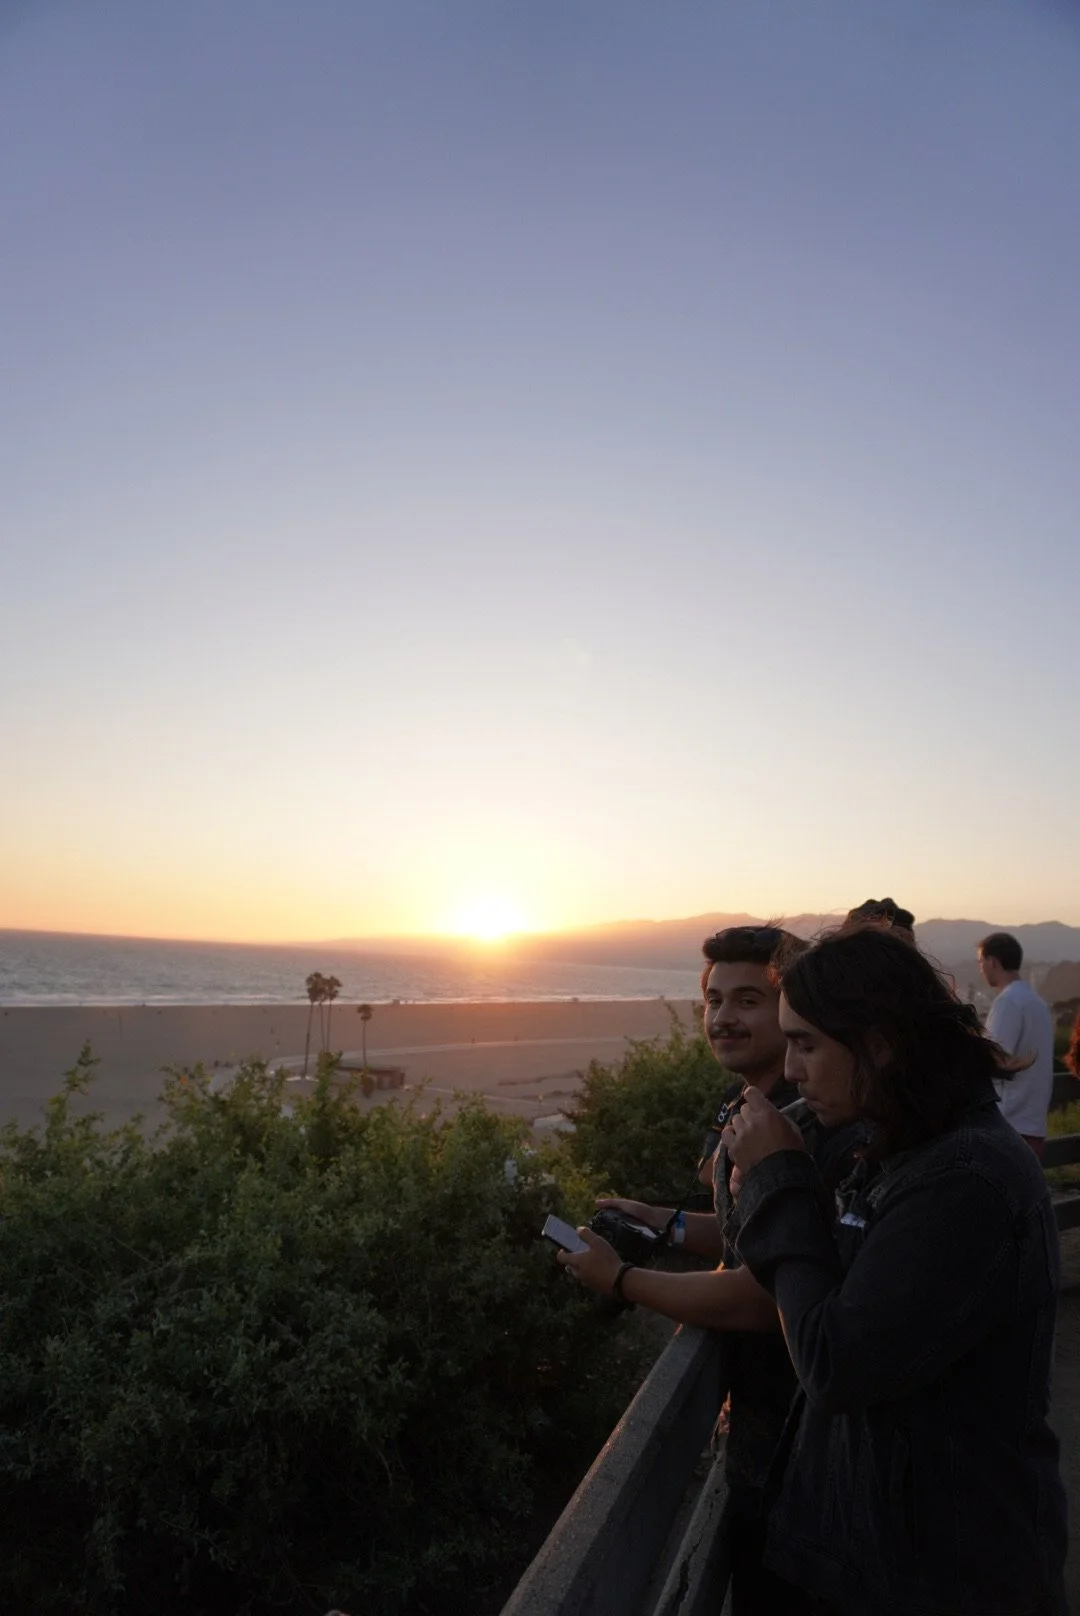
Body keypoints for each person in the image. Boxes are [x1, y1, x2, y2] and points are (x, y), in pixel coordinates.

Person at [723, 926, 1067, 1616]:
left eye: (808, 1043)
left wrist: (780, 1181)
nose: (790, 1069)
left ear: (880, 1043)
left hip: (944, 1574)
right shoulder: (907, 1152)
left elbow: (835, 1363)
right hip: (899, 1556)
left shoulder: (965, 1181)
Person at [559, 924, 857, 1616]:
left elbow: (763, 1294)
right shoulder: (754, 1111)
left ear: (793, 1011)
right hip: (763, 1426)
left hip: (802, 1442)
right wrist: (662, 1220)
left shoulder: (808, 1125)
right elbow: (753, 1235)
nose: (724, 1017)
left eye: (749, 1000)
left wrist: (623, 1281)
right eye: (713, 1000)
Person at [978, 930, 1055, 1157]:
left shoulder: (1009, 1002)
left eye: (981, 961)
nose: (980, 968)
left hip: (1009, 1123)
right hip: (1033, 1122)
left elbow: (993, 1058)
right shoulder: (1037, 1002)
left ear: (993, 962)